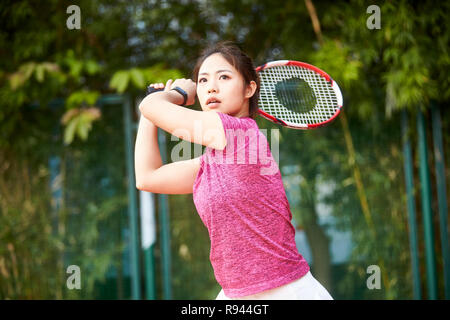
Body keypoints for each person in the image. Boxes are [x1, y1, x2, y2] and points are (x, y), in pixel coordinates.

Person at [135, 41, 333, 300]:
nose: (211, 87)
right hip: (235, 295)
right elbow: (147, 176)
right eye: (203, 81)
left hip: (287, 292)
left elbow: (153, 106)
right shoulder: (209, 164)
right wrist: (148, 114)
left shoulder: (241, 133)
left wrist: (178, 94)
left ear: (249, 88)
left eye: (224, 77)